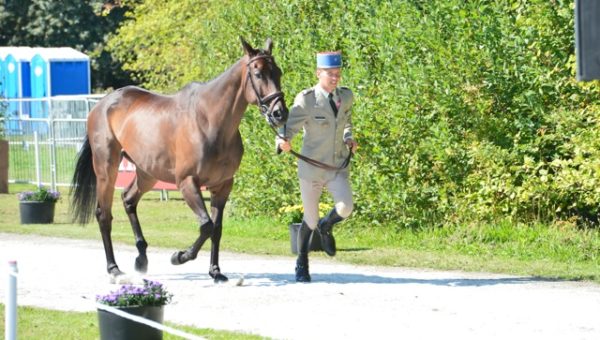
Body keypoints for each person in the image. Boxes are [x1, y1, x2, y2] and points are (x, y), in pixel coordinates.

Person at [276, 51, 358, 282]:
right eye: (330, 74)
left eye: (338, 74)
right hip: (312, 169)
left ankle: (326, 225)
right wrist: (282, 141)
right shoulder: (307, 99)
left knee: (346, 207)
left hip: (337, 166)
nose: (335, 78)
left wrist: (349, 138)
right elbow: (287, 127)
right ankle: (302, 261)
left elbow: (346, 124)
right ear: (318, 73)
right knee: (309, 220)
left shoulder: (347, 97)